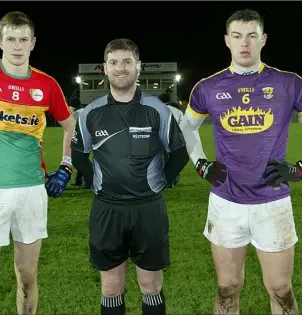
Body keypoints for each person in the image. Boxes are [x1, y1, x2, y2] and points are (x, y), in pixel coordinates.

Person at [180, 8, 302, 315]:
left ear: (263, 39)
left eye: (252, 36)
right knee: (227, 288)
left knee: (281, 289)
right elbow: (186, 128)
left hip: (273, 201)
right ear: (227, 41)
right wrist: (200, 164)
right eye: (238, 36)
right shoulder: (208, 87)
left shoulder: (288, 83)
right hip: (226, 202)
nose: (245, 43)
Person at [0, 11, 75, 315]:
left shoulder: (46, 85)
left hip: (31, 193)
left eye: (24, 40)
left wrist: (65, 165)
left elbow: (69, 125)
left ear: (33, 43)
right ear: (0, 41)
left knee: (27, 278)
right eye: (11, 39)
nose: (17, 46)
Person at [71, 38, 189, 315]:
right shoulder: (90, 112)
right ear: (105, 68)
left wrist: (164, 180)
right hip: (107, 210)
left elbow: (180, 153)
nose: (120, 68)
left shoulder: (158, 109)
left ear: (139, 66)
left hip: (148, 209)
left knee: (150, 285)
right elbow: (78, 155)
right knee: (111, 286)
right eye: (113, 62)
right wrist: (95, 183)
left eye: (127, 62)